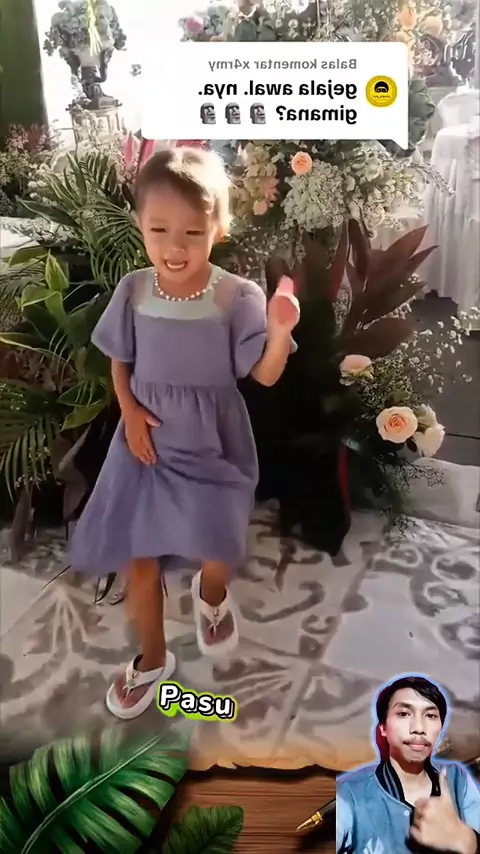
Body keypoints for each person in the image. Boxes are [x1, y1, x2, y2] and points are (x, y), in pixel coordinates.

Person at [68, 146, 300, 720]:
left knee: (217, 542)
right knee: (139, 559)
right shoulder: (133, 290)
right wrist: (128, 411)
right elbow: (119, 359)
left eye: (193, 233)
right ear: (139, 224)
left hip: (212, 440)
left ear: (219, 228)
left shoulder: (236, 296)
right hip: (144, 444)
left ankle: (211, 593)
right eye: (159, 230)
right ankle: (152, 659)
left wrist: (277, 334)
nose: (175, 247)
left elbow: (264, 375)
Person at [337, 675, 480, 853]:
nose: (419, 728)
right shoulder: (350, 792)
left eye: (430, 715)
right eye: (404, 714)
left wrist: (466, 840)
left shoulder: (456, 777)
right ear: (383, 727)